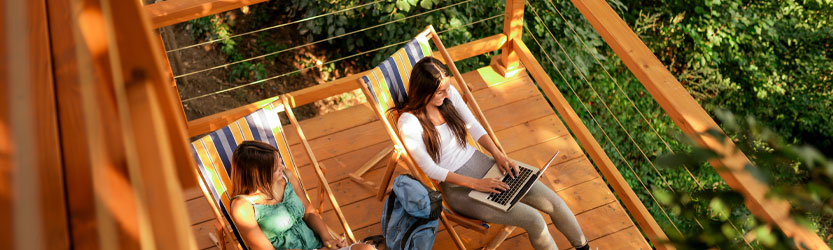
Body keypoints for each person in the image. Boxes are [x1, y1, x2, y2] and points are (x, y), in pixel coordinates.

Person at [393, 57, 590, 250]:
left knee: (553, 202)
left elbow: (474, 127)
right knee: (534, 220)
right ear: (424, 92)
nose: (447, 93)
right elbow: (429, 168)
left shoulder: (448, 94)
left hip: (486, 165)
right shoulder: (409, 122)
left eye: (447, 87)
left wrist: (498, 155)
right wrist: (477, 184)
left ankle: (583, 247)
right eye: (440, 92)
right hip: (460, 189)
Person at [229, 140, 376, 250]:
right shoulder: (243, 207)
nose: (282, 167)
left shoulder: (286, 176)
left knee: (366, 249)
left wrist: (327, 239)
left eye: (280, 162)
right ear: (258, 176)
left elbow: (308, 211)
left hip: (318, 245)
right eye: (275, 168)